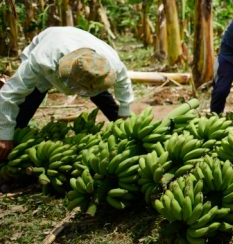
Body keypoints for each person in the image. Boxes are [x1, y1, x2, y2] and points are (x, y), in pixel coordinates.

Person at [0, 27, 134, 160]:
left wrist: (124, 113)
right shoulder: (42, 60)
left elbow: (124, 83)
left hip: (86, 57)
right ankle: (12, 140)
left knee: (102, 96)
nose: (87, 92)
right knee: (30, 99)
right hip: (51, 45)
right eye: (84, 88)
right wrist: (5, 135)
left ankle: (123, 131)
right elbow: (10, 93)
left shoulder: (108, 63)